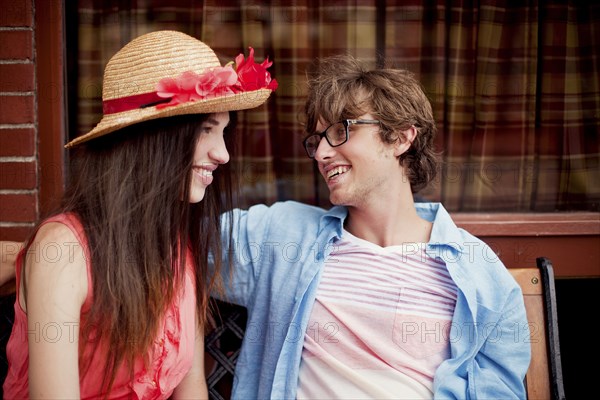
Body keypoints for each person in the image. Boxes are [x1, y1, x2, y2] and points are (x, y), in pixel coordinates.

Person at [211, 55, 530, 399]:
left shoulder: (476, 271)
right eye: (316, 140)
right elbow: (169, 241)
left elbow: (498, 390)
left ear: (401, 138)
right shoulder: (279, 235)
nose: (320, 153)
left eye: (339, 131)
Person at [2, 30, 276, 399]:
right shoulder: (64, 250)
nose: (223, 154)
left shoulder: (177, 246)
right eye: (206, 129)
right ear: (151, 139)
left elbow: (191, 390)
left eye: (224, 131)